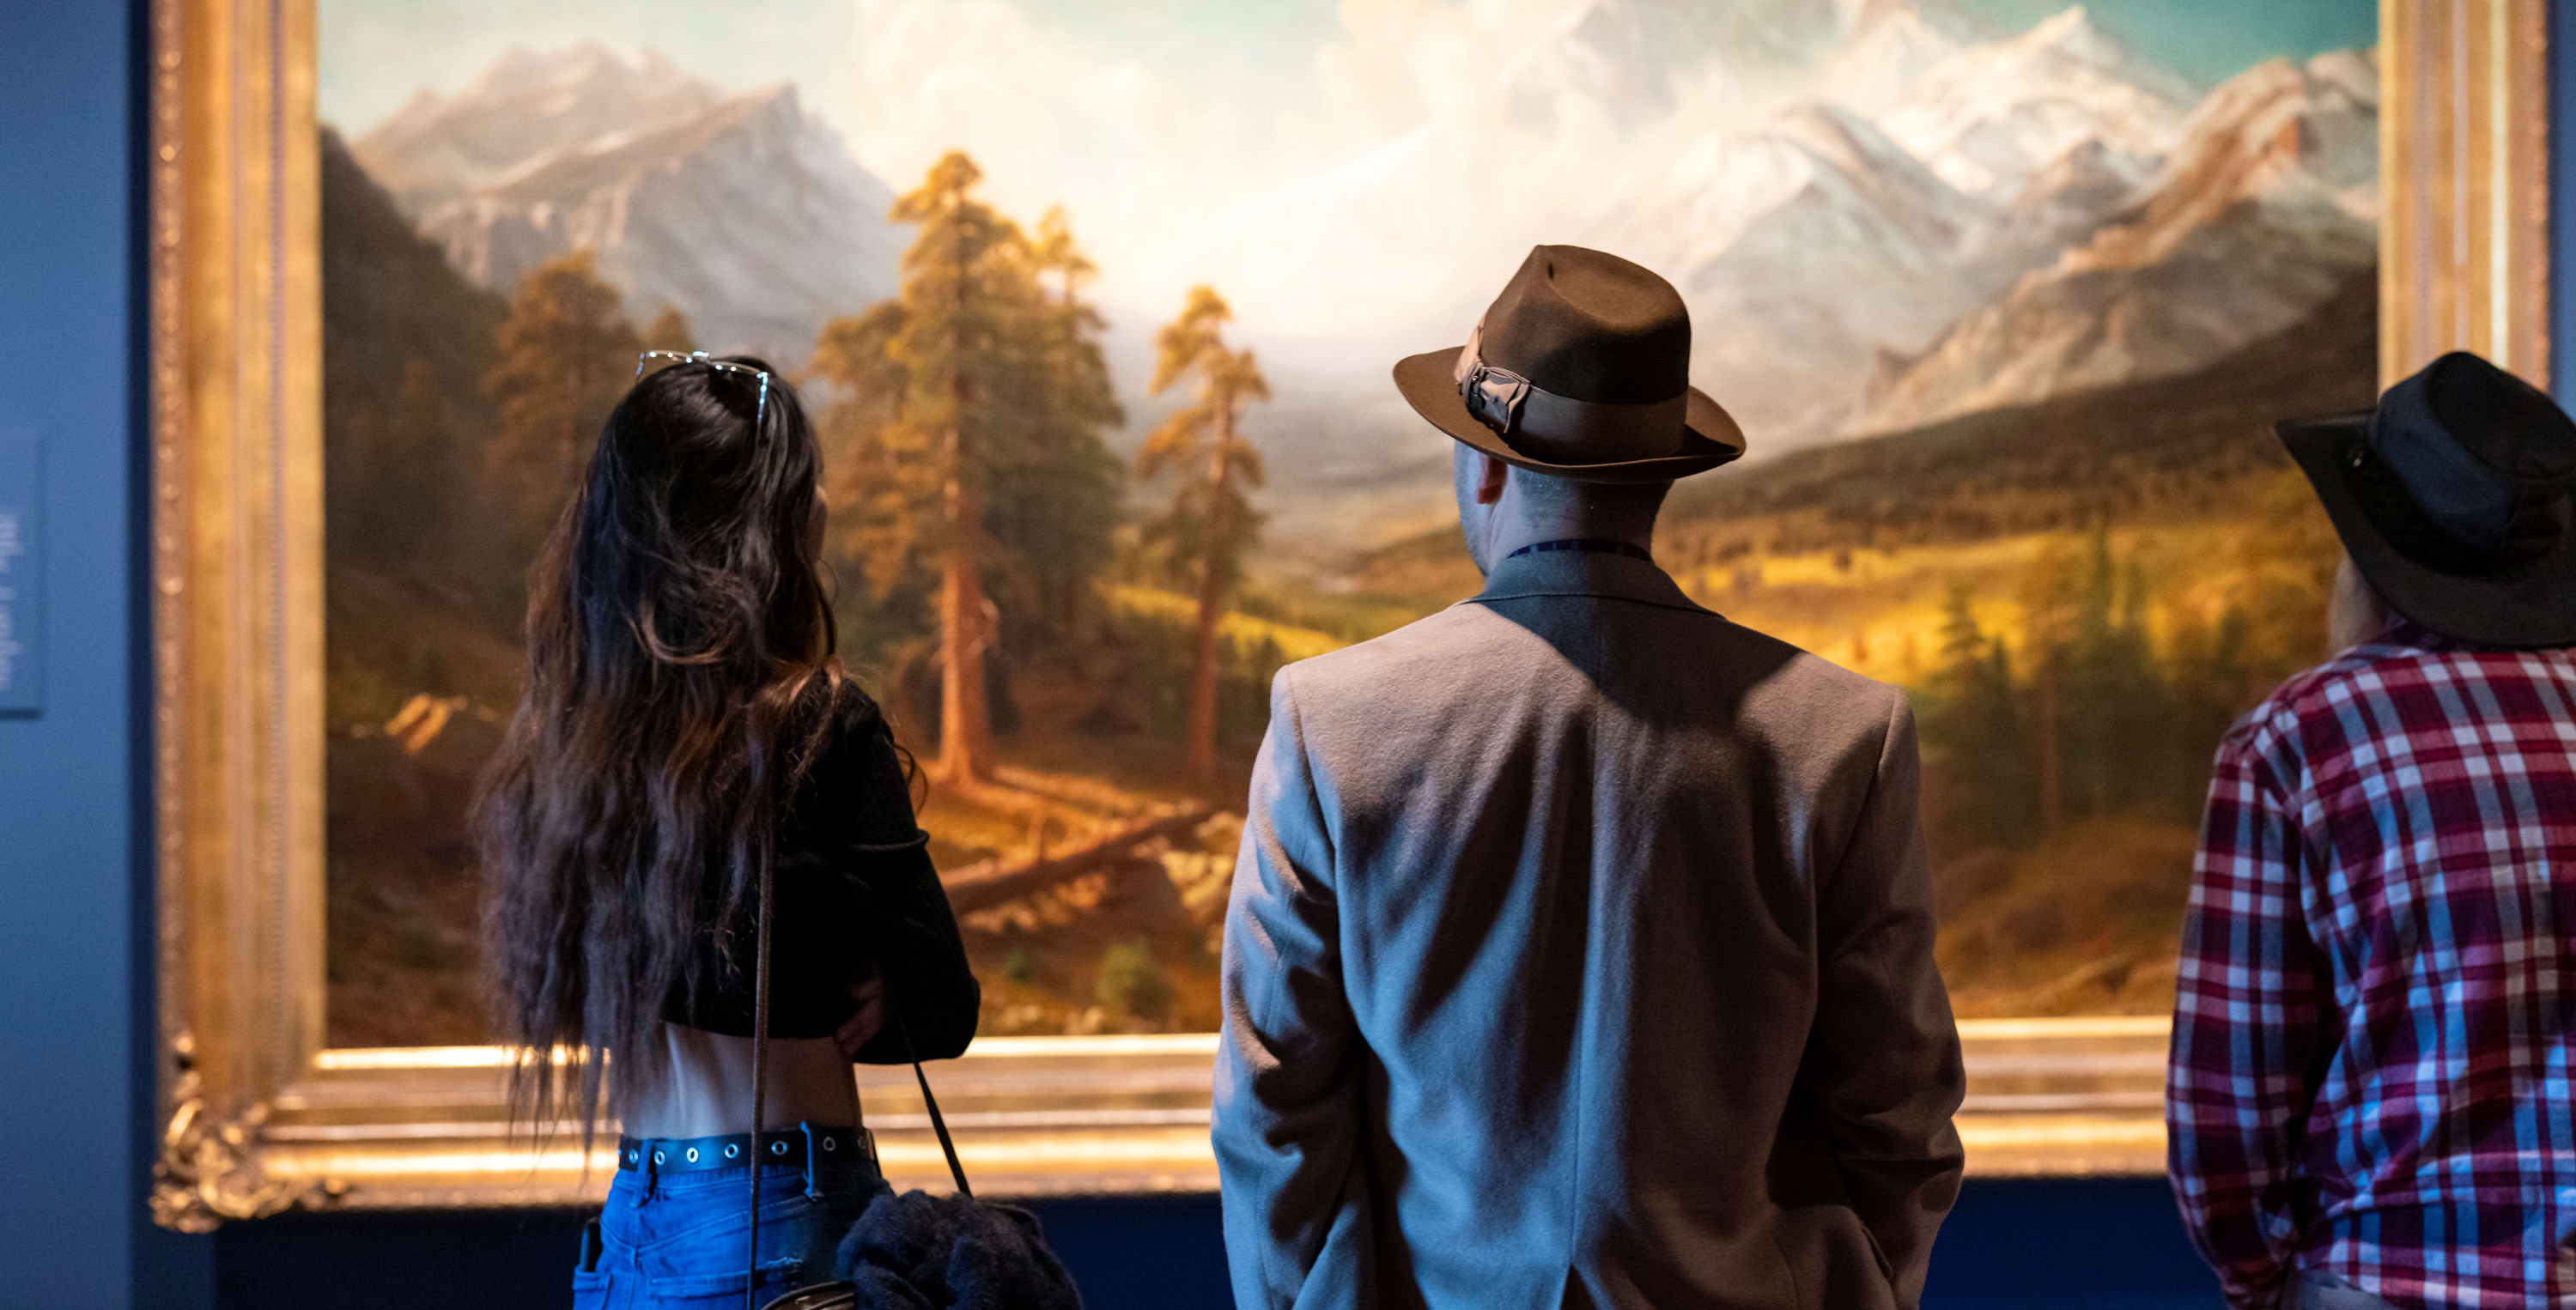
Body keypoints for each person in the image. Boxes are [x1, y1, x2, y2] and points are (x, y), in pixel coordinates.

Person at [1212, 246, 1965, 1310]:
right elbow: (1901, 1111)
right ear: (1660, 476)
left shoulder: (1330, 722)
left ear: (1484, 467)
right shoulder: (1843, 734)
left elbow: (1275, 1109)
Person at [474, 353, 980, 1309]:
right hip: (790, 1220)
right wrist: (853, 966)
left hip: (634, 1229)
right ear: (777, 524)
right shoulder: (820, 721)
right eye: (805, 481)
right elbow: (943, 1009)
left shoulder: (571, 747)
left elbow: (654, 974)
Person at [2168, 351, 2576, 1310]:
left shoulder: (2299, 741)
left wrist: (2263, 1276)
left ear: (2369, 550)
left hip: (2391, 1273)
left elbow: (2230, 1096)